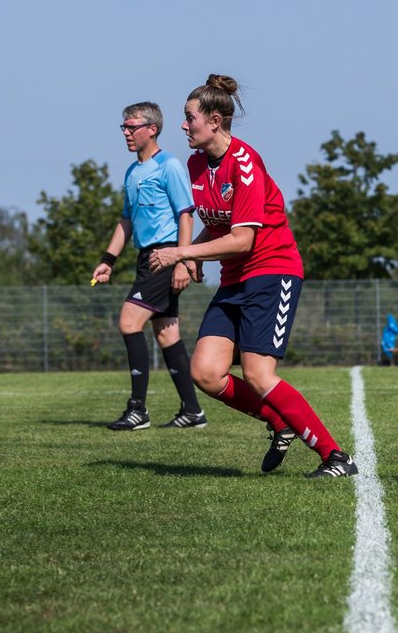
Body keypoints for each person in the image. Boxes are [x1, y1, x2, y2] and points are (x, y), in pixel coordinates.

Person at [148, 74, 358, 478]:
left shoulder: (245, 162)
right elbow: (219, 221)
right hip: (234, 279)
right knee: (205, 373)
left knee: (259, 374)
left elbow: (243, 239)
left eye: (188, 117)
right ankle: (280, 423)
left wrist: (183, 252)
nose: (183, 125)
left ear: (214, 120)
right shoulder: (196, 163)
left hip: (272, 271)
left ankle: (336, 457)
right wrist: (199, 255)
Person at [92, 102, 205, 431]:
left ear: (152, 129)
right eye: (123, 127)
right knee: (167, 333)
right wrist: (107, 261)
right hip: (146, 257)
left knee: (129, 321)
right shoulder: (131, 172)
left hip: (165, 256)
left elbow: (186, 213)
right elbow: (126, 221)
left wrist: (182, 260)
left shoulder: (169, 166)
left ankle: (137, 410)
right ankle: (193, 410)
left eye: (132, 127)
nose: (126, 133)